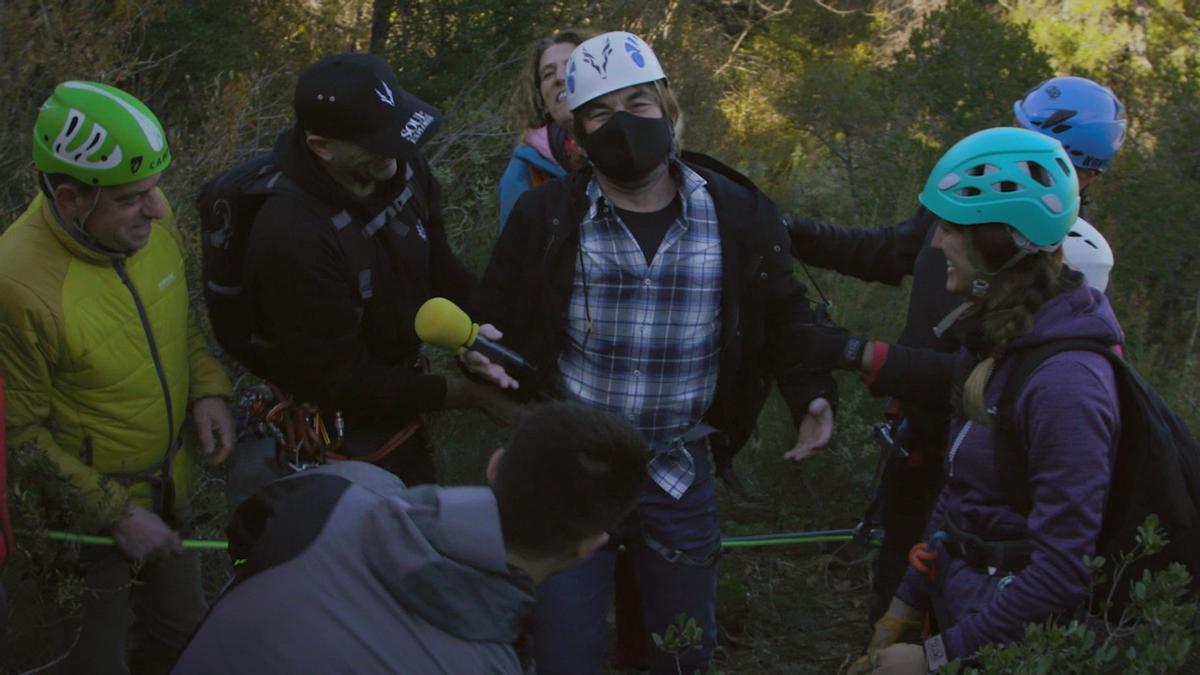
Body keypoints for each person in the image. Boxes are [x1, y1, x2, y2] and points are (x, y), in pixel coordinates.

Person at [467, 31, 839, 674]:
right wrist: (481, 356)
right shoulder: (546, 216)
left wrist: (812, 393)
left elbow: (784, 313)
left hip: (677, 468)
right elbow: (495, 320)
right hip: (570, 471)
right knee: (564, 648)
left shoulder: (737, 211)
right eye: (601, 113)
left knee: (683, 648)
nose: (622, 124)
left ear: (668, 107)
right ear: (576, 131)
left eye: (637, 104)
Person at [786, 75, 1127, 623]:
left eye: (1038, 144)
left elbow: (1002, 384)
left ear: (1083, 172)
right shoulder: (967, 201)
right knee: (898, 584)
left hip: (977, 466)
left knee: (942, 610)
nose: (1015, 151)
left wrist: (861, 354)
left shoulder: (1067, 262)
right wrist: (789, 231)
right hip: (922, 445)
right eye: (1015, 130)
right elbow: (889, 250)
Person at [850, 127, 1121, 673]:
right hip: (963, 604)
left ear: (998, 241)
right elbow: (961, 490)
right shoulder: (997, 342)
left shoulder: (1067, 385)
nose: (935, 243)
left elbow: (1061, 572)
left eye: (951, 228)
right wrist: (905, 603)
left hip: (1006, 642)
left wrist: (933, 657)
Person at [0, 81, 236, 673]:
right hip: (83, 530)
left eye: (155, 190)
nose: (157, 210)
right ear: (71, 197)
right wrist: (115, 513)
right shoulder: (18, 286)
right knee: (94, 662)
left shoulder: (151, 226)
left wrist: (207, 389)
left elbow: (176, 322)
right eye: (133, 198)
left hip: (166, 497)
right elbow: (17, 436)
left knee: (189, 646)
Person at [173, 401, 648, 674]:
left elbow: (249, 532)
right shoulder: (485, 665)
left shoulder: (341, 490)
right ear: (591, 545)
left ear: (496, 464)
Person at [238, 53, 517, 488]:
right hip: (338, 423)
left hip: (402, 384)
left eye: (397, 131)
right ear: (322, 146)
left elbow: (440, 266)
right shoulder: (291, 237)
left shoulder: (402, 168)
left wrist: (476, 332)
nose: (395, 149)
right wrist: (468, 395)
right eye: (374, 141)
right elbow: (342, 380)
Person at [498, 29, 591, 230]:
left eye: (571, 65)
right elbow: (516, 256)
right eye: (548, 74)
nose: (559, 77)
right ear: (541, 98)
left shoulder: (638, 139)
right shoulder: (525, 171)